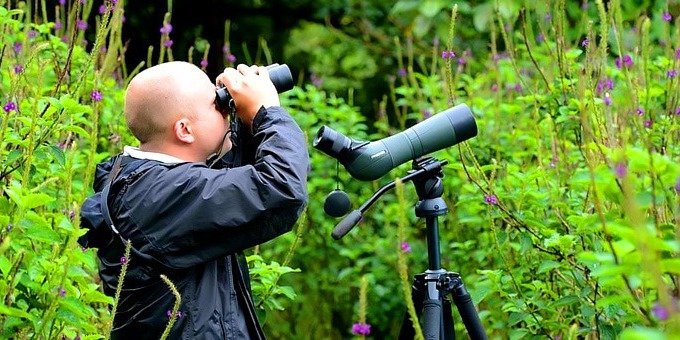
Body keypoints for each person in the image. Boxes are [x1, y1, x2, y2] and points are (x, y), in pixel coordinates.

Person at [78, 61, 309, 339]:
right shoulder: (159, 193)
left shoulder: (151, 182)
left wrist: (249, 120)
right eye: (218, 104)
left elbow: (236, 183)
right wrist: (267, 111)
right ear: (184, 130)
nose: (226, 111)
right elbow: (279, 190)